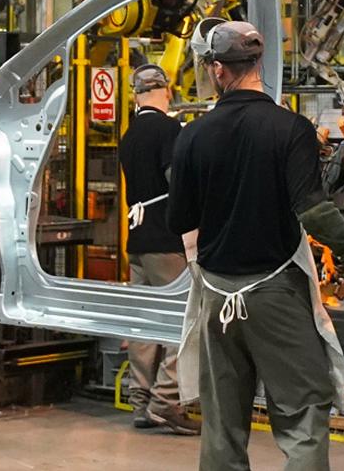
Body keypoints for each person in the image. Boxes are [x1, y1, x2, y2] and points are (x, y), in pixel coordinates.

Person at [167, 18, 344, 470]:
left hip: (215, 298)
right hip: (275, 294)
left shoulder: (191, 137)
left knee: (222, 424)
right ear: (257, 62)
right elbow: (315, 211)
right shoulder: (290, 129)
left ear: (218, 71)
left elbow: (179, 221)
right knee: (301, 416)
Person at [117, 63, 200, 436]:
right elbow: (175, 181)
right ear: (165, 91)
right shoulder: (169, 129)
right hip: (167, 239)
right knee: (180, 320)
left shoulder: (129, 135)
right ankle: (166, 402)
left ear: (137, 95)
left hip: (137, 239)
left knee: (143, 322)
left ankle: (140, 400)